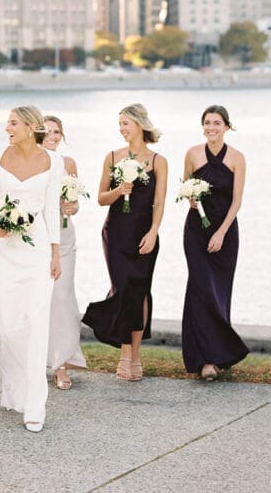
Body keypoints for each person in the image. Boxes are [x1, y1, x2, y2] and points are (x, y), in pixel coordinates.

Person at [0, 106, 63, 432]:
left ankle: (35, 405)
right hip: (5, 252)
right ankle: (15, 391)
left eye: (13, 122)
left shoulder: (52, 160)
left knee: (35, 324)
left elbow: (51, 210)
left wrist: (55, 253)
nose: (7, 127)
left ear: (31, 127)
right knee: (7, 327)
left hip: (37, 253)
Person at [82, 103, 167, 381]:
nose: (122, 129)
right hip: (117, 231)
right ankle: (124, 355)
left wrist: (154, 231)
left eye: (126, 124)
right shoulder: (112, 157)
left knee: (140, 290)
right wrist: (120, 189)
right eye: (119, 124)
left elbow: (159, 202)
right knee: (122, 288)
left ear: (140, 125)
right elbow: (101, 198)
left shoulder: (158, 161)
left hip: (145, 233)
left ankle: (136, 356)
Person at [180, 105, 248, 380]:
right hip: (196, 230)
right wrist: (190, 198)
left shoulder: (237, 158)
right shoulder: (192, 154)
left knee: (219, 291)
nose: (211, 127)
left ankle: (219, 356)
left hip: (226, 230)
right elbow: (186, 187)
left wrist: (221, 232)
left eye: (217, 123)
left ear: (226, 127)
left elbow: (237, 201)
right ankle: (202, 359)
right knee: (200, 290)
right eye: (207, 122)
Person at [43, 114, 86, 391]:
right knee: (41, 300)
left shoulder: (68, 163)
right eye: (47, 131)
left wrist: (72, 208)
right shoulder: (33, 162)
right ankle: (41, 359)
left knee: (62, 297)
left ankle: (62, 362)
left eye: (57, 131)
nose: (53, 136)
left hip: (65, 235)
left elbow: (75, 204)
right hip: (39, 238)